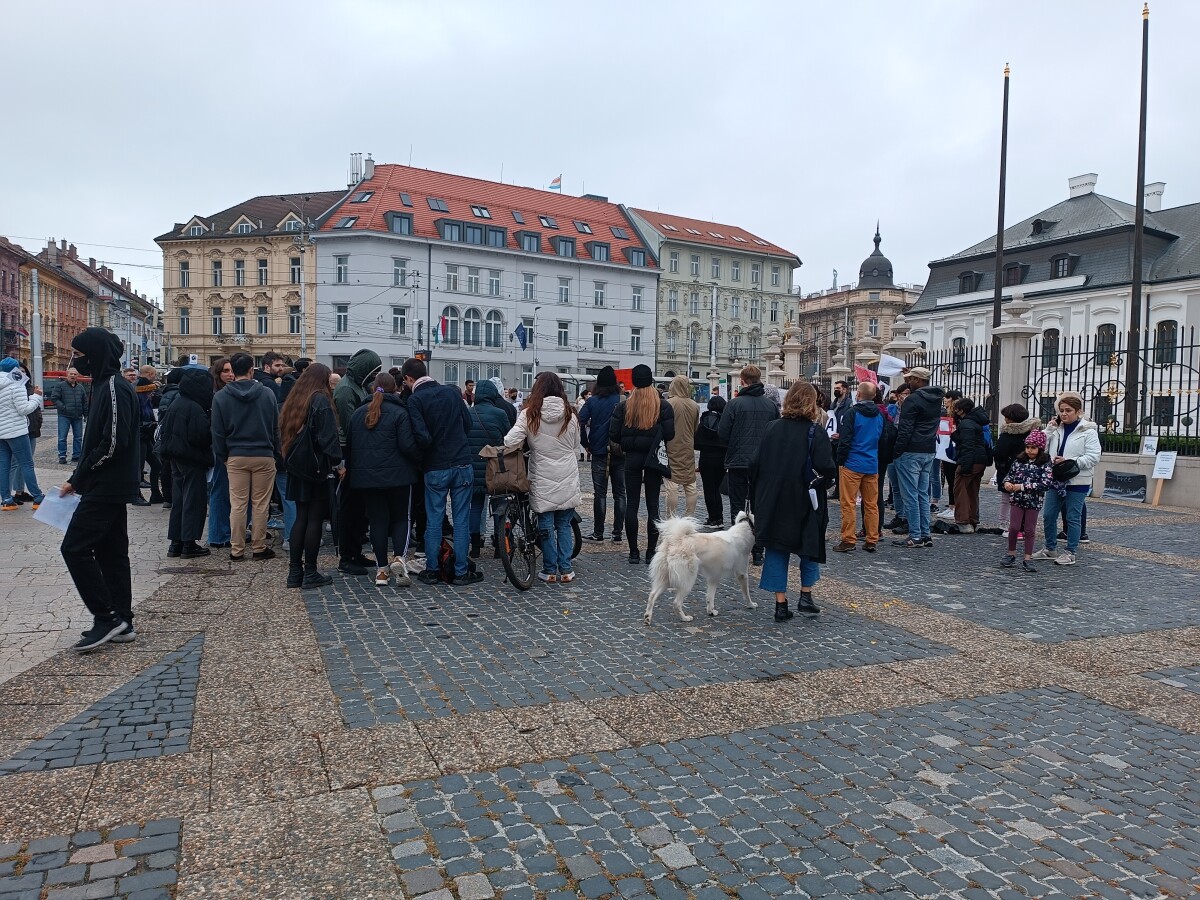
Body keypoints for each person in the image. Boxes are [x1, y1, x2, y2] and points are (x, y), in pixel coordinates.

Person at [59, 328, 140, 651]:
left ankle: (106, 617)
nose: (76, 360)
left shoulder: (114, 388)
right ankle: (122, 619)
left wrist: (78, 478)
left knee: (74, 548)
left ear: (94, 354)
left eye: (79, 354)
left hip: (107, 486)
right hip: (106, 484)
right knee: (111, 553)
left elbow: (113, 442)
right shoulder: (103, 386)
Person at [751, 382, 837, 622]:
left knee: (777, 547)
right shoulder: (814, 431)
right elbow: (827, 467)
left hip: (774, 498)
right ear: (812, 403)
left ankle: (781, 604)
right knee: (809, 545)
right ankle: (806, 596)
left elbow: (754, 464)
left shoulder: (771, 428)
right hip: (805, 498)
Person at [403, 357, 481, 585]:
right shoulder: (451, 393)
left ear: (409, 378)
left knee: (434, 519)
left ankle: (433, 570)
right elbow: (468, 424)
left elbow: (422, 437)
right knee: (462, 519)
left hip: (435, 467)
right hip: (461, 463)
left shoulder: (415, 400)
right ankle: (460, 571)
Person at [503, 372, 582, 583]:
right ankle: (566, 569)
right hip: (567, 472)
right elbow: (576, 444)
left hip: (543, 474)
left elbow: (510, 440)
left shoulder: (530, 414)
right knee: (564, 524)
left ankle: (549, 571)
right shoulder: (571, 414)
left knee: (545, 524)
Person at [211, 352, 280, 562]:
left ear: (233, 370)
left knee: (238, 503)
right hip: (263, 454)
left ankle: (236, 549)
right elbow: (276, 427)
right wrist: (275, 451)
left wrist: (223, 455)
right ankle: (259, 547)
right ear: (252, 369)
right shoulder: (267, 394)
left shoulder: (221, 396)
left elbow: (217, 431)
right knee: (260, 503)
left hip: (235, 455)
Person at [280, 363, 344, 588]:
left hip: (297, 467)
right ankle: (310, 572)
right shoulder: (320, 400)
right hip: (316, 467)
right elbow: (328, 439)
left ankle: (294, 572)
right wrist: (338, 463)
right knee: (314, 519)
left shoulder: (295, 399)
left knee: (301, 518)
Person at [609, 364, 674, 564]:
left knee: (632, 505)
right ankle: (650, 552)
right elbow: (670, 434)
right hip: (653, 458)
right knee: (653, 505)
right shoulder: (663, 405)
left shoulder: (624, 405)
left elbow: (614, 435)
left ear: (634, 382)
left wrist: (630, 442)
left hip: (632, 458)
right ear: (651, 380)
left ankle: (633, 552)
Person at [718, 365, 778, 565]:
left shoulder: (734, 404)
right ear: (759, 380)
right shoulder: (771, 406)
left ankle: (737, 549)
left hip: (737, 462)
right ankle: (758, 551)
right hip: (763, 464)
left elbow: (723, 433)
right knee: (759, 506)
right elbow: (775, 436)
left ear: (742, 381)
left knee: (737, 506)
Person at [1032, 392, 1101, 567]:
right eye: (1061, 410)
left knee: (1072, 517)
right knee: (1048, 515)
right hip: (1056, 479)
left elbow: (1094, 457)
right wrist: (1049, 429)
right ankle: (1050, 548)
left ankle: (1071, 552)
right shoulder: (1057, 429)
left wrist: (1071, 462)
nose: (1064, 414)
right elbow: (1039, 444)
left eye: (1068, 410)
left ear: (1078, 411)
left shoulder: (1088, 431)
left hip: (1077, 480)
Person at [332, 349, 382, 575]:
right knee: (349, 508)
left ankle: (356, 551)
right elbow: (351, 424)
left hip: (358, 450)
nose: (374, 377)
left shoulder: (358, 386)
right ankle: (347, 556)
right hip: (350, 450)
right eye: (373, 372)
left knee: (360, 508)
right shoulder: (345, 390)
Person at [157, 366, 213, 559]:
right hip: (191, 457)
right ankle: (189, 543)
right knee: (194, 500)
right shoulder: (195, 406)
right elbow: (201, 436)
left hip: (175, 456)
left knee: (179, 500)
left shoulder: (179, 401)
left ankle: (176, 542)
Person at [890, 367, 943, 549]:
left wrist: (897, 450)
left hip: (911, 450)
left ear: (920, 380)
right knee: (922, 494)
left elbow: (905, 429)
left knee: (910, 495)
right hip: (928, 449)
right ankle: (925, 533)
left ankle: (915, 535)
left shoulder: (912, 400)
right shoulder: (936, 399)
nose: (908, 382)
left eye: (911, 379)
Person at [833, 381, 884, 553]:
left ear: (858, 395)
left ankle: (848, 539)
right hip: (871, 462)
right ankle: (872, 539)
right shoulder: (879, 414)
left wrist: (840, 460)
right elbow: (881, 438)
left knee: (848, 503)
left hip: (852, 462)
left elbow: (845, 439)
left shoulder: (852, 413)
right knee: (871, 504)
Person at [466, 377, 512, 558]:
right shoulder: (500, 414)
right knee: (499, 506)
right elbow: (508, 440)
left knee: (475, 507)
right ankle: (499, 547)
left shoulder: (469, 413)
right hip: (495, 468)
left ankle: (475, 546)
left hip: (474, 468)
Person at [578, 366, 625, 542]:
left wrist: (585, 443)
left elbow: (580, 421)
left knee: (600, 493)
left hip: (598, 450)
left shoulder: (592, 401)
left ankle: (598, 533)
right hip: (619, 451)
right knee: (620, 493)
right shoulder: (622, 399)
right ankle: (618, 533)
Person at [1001, 429, 1052, 572]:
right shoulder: (1019, 461)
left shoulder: (1045, 463)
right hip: (1017, 499)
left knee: (1030, 529)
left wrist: (1022, 486)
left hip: (1034, 501)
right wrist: (1007, 483)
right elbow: (1009, 475)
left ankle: (1027, 557)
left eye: (1033, 448)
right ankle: (1011, 553)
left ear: (1040, 448)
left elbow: (1045, 484)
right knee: (1014, 527)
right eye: (1027, 447)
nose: (1029, 450)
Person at [0, 358, 45, 511]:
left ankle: (6, 499)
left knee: (4, 465)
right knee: (26, 464)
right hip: (16, 430)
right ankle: (38, 497)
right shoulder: (16, 384)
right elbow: (24, 409)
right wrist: (36, 396)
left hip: (1, 432)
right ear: (14, 370)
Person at [943, 397, 990, 534]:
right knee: (972, 491)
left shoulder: (967, 423)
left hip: (970, 460)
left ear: (961, 410)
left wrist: (965, 466)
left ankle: (964, 521)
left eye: (956, 409)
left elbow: (968, 446)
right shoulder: (974, 421)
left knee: (961, 490)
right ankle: (972, 519)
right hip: (979, 460)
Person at [993, 403, 1042, 535]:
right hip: (1027, 470)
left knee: (1006, 499)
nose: (1005, 420)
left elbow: (999, 453)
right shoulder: (1031, 432)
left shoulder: (1007, 434)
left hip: (1008, 470)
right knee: (1024, 499)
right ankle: (1022, 525)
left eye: (1006, 417)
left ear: (1011, 418)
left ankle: (1005, 524)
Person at [207, 358, 235, 548]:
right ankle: (217, 534)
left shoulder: (226, 393)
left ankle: (223, 531)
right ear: (218, 374)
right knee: (219, 490)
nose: (230, 374)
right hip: (220, 450)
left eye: (232, 371)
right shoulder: (216, 395)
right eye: (226, 371)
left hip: (226, 448)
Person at [663, 375, 700, 518]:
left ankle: (671, 518)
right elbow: (696, 428)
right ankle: (689, 516)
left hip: (671, 446)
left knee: (672, 485)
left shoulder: (668, 403)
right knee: (690, 484)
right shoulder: (694, 405)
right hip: (688, 446)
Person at [694, 395, 728, 527]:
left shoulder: (703, 421)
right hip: (721, 458)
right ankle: (719, 517)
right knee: (717, 488)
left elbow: (696, 443)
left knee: (709, 489)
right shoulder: (725, 421)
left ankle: (713, 518)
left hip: (706, 458)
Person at [132, 372, 161, 506]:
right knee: (138, 467)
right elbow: (134, 422)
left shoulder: (147, 402)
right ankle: (135, 495)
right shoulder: (137, 402)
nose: (151, 394)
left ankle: (155, 493)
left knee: (156, 464)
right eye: (150, 392)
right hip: (138, 438)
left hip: (146, 437)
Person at [935, 389, 964, 520]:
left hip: (954, 450)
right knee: (949, 479)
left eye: (947, 398)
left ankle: (955, 507)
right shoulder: (945, 413)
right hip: (946, 449)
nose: (945, 400)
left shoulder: (958, 417)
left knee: (953, 480)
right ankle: (951, 506)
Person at [49, 367, 88, 463]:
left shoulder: (80, 387)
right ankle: (62, 456)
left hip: (77, 415)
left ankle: (76, 455)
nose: (73, 376)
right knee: (62, 437)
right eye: (71, 374)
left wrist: (86, 414)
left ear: (77, 376)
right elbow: (54, 398)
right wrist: (63, 407)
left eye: (75, 374)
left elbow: (84, 402)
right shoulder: (60, 385)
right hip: (64, 415)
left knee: (78, 437)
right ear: (67, 375)